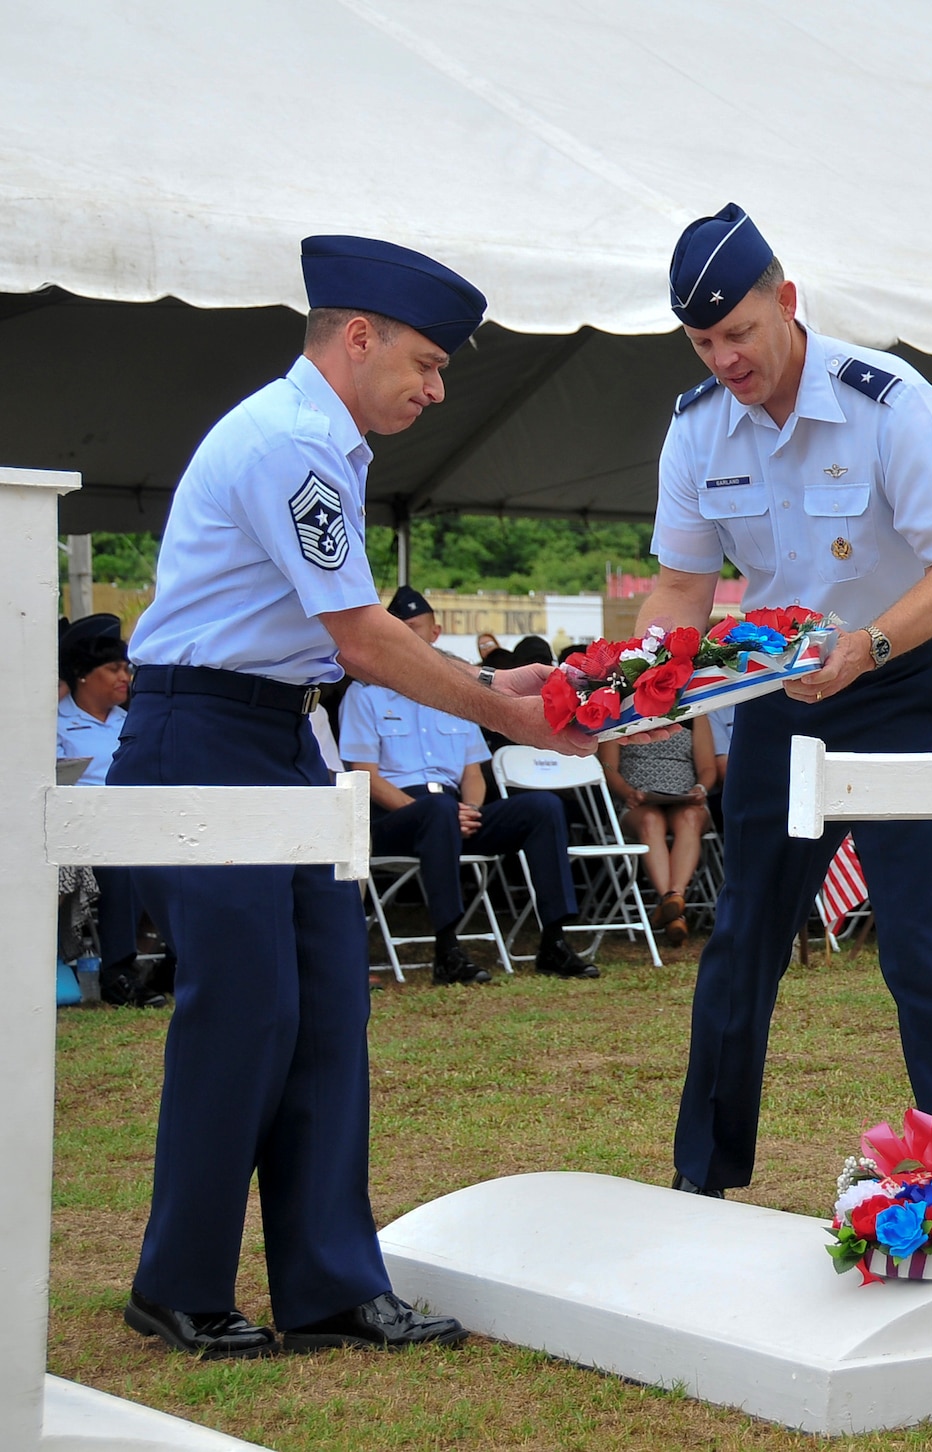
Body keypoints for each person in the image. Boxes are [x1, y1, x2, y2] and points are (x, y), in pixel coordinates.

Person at [111, 236, 581, 1360]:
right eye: (422, 363)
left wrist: (483, 684)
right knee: (244, 1012)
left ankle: (328, 1284)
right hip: (205, 731)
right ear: (355, 337)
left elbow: (350, 638)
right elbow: (364, 636)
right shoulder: (292, 443)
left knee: (327, 1010)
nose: (433, 388)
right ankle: (179, 1283)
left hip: (279, 731)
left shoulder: (326, 441)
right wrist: (499, 711)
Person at [640, 204, 932, 1195]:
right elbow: (681, 584)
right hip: (775, 700)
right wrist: (635, 683)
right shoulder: (694, 428)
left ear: (786, 303)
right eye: (703, 341)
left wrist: (868, 643)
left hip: (893, 684)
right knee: (743, 938)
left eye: (739, 333)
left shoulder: (889, 404)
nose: (724, 359)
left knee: (921, 945)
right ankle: (702, 1179)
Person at [341, 586, 598, 986]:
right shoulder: (366, 695)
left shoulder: (455, 695)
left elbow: (473, 772)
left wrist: (472, 812)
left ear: (435, 634)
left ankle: (554, 940)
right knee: (438, 810)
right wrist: (431, 811)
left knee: (543, 808)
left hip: (456, 815)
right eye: (400, 628)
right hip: (398, 817)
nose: (408, 636)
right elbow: (365, 774)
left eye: (416, 628)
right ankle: (447, 949)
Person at [57, 616, 166, 1007]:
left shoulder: (135, 721)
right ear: (84, 675)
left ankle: (177, 964)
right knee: (124, 863)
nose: (125, 677)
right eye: (114, 669)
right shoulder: (56, 724)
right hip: (82, 827)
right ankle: (118, 971)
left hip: (138, 821)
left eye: (127, 669)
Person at [601, 715, 719, 949]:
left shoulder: (695, 712)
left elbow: (707, 767)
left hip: (685, 799)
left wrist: (701, 788)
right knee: (650, 821)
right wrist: (628, 793)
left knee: (689, 818)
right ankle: (673, 905)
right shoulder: (619, 710)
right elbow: (608, 766)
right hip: (637, 801)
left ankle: (671, 902)